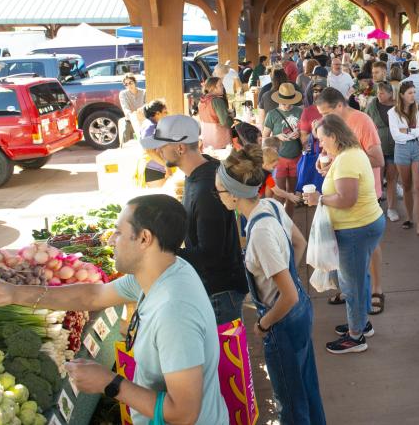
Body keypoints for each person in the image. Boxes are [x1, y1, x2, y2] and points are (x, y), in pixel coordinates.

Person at [0, 194, 229, 424]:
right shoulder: (167, 269)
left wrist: (110, 384)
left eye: (120, 232)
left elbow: (184, 414)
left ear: (144, 238)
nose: (111, 239)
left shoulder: (174, 312)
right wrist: (14, 293)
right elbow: (92, 295)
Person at [215, 146, 325, 424]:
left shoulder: (260, 233)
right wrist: (285, 274)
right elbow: (299, 242)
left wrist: (263, 325)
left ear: (234, 194)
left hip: (282, 322)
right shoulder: (271, 206)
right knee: (307, 386)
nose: (217, 196)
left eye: (219, 191)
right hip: (301, 314)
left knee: (289, 402)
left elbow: (287, 297)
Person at [140, 115, 248, 324]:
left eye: (162, 146)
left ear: (180, 148)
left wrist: (159, 253)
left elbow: (209, 254)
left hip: (219, 293)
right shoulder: (202, 169)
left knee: (222, 356)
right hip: (217, 288)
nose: (158, 151)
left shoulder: (206, 190)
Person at [303, 115, 386, 354]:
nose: (320, 145)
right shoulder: (350, 154)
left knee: (351, 284)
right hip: (362, 225)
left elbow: (346, 199)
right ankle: (361, 323)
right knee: (355, 279)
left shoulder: (348, 159)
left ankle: (356, 336)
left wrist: (318, 198)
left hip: (355, 229)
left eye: (322, 139)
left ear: (334, 136)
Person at [315, 88, 387, 314]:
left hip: (366, 191)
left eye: (326, 112)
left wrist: (345, 158)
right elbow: (331, 151)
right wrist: (326, 162)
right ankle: (349, 288)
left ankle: (377, 289)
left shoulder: (362, 121)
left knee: (370, 244)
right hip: (341, 188)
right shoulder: (331, 126)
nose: (324, 118)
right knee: (346, 246)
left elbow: (378, 159)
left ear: (339, 105)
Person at [389, 81, 419, 238]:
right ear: (402, 95)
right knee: (406, 185)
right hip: (401, 149)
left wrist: (409, 130)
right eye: (409, 93)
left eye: (414, 92)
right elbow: (396, 135)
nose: (413, 95)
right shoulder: (393, 112)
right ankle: (409, 218)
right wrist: (417, 130)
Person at [262, 83, 304, 217]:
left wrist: (300, 134)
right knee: (279, 193)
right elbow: (264, 138)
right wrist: (277, 137)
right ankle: (277, 219)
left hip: (296, 157)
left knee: (291, 193)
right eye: (284, 102)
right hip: (278, 159)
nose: (287, 105)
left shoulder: (299, 111)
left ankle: (288, 220)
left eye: (289, 102)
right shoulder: (272, 114)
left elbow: (305, 132)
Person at [364, 81, 400, 222]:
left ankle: (391, 208)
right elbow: (366, 121)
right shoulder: (372, 104)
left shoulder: (398, 106)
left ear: (390, 94)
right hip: (376, 148)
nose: (379, 95)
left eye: (382, 93)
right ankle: (376, 206)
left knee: (392, 179)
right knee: (376, 180)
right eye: (378, 92)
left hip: (394, 148)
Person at [197, 77, 233, 149]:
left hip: (207, 141)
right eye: (220, 85)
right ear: (213, 88)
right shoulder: (217, 101)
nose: (223, 87)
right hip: (220, 141)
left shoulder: (201, 101)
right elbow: (225, 122)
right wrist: (231, 117)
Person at [139, 100, 169, 186]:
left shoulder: (152, 124)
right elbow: (149, 150)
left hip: (156, 169)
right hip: (154, 170)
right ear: (157, 113)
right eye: (165, 112)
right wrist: (166, 165)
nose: (167, 114)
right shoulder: (150, 127)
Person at [118, 73, 146, 145]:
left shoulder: (144, 92)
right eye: (126, 84)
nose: (129, 85)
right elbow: (125, 108)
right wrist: (132, 116)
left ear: (135, 82)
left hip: (143, 119)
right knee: (126, 137)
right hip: (131, 119)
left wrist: (140, 115)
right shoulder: (123, 94)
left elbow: (146, 106)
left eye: (130, 83)